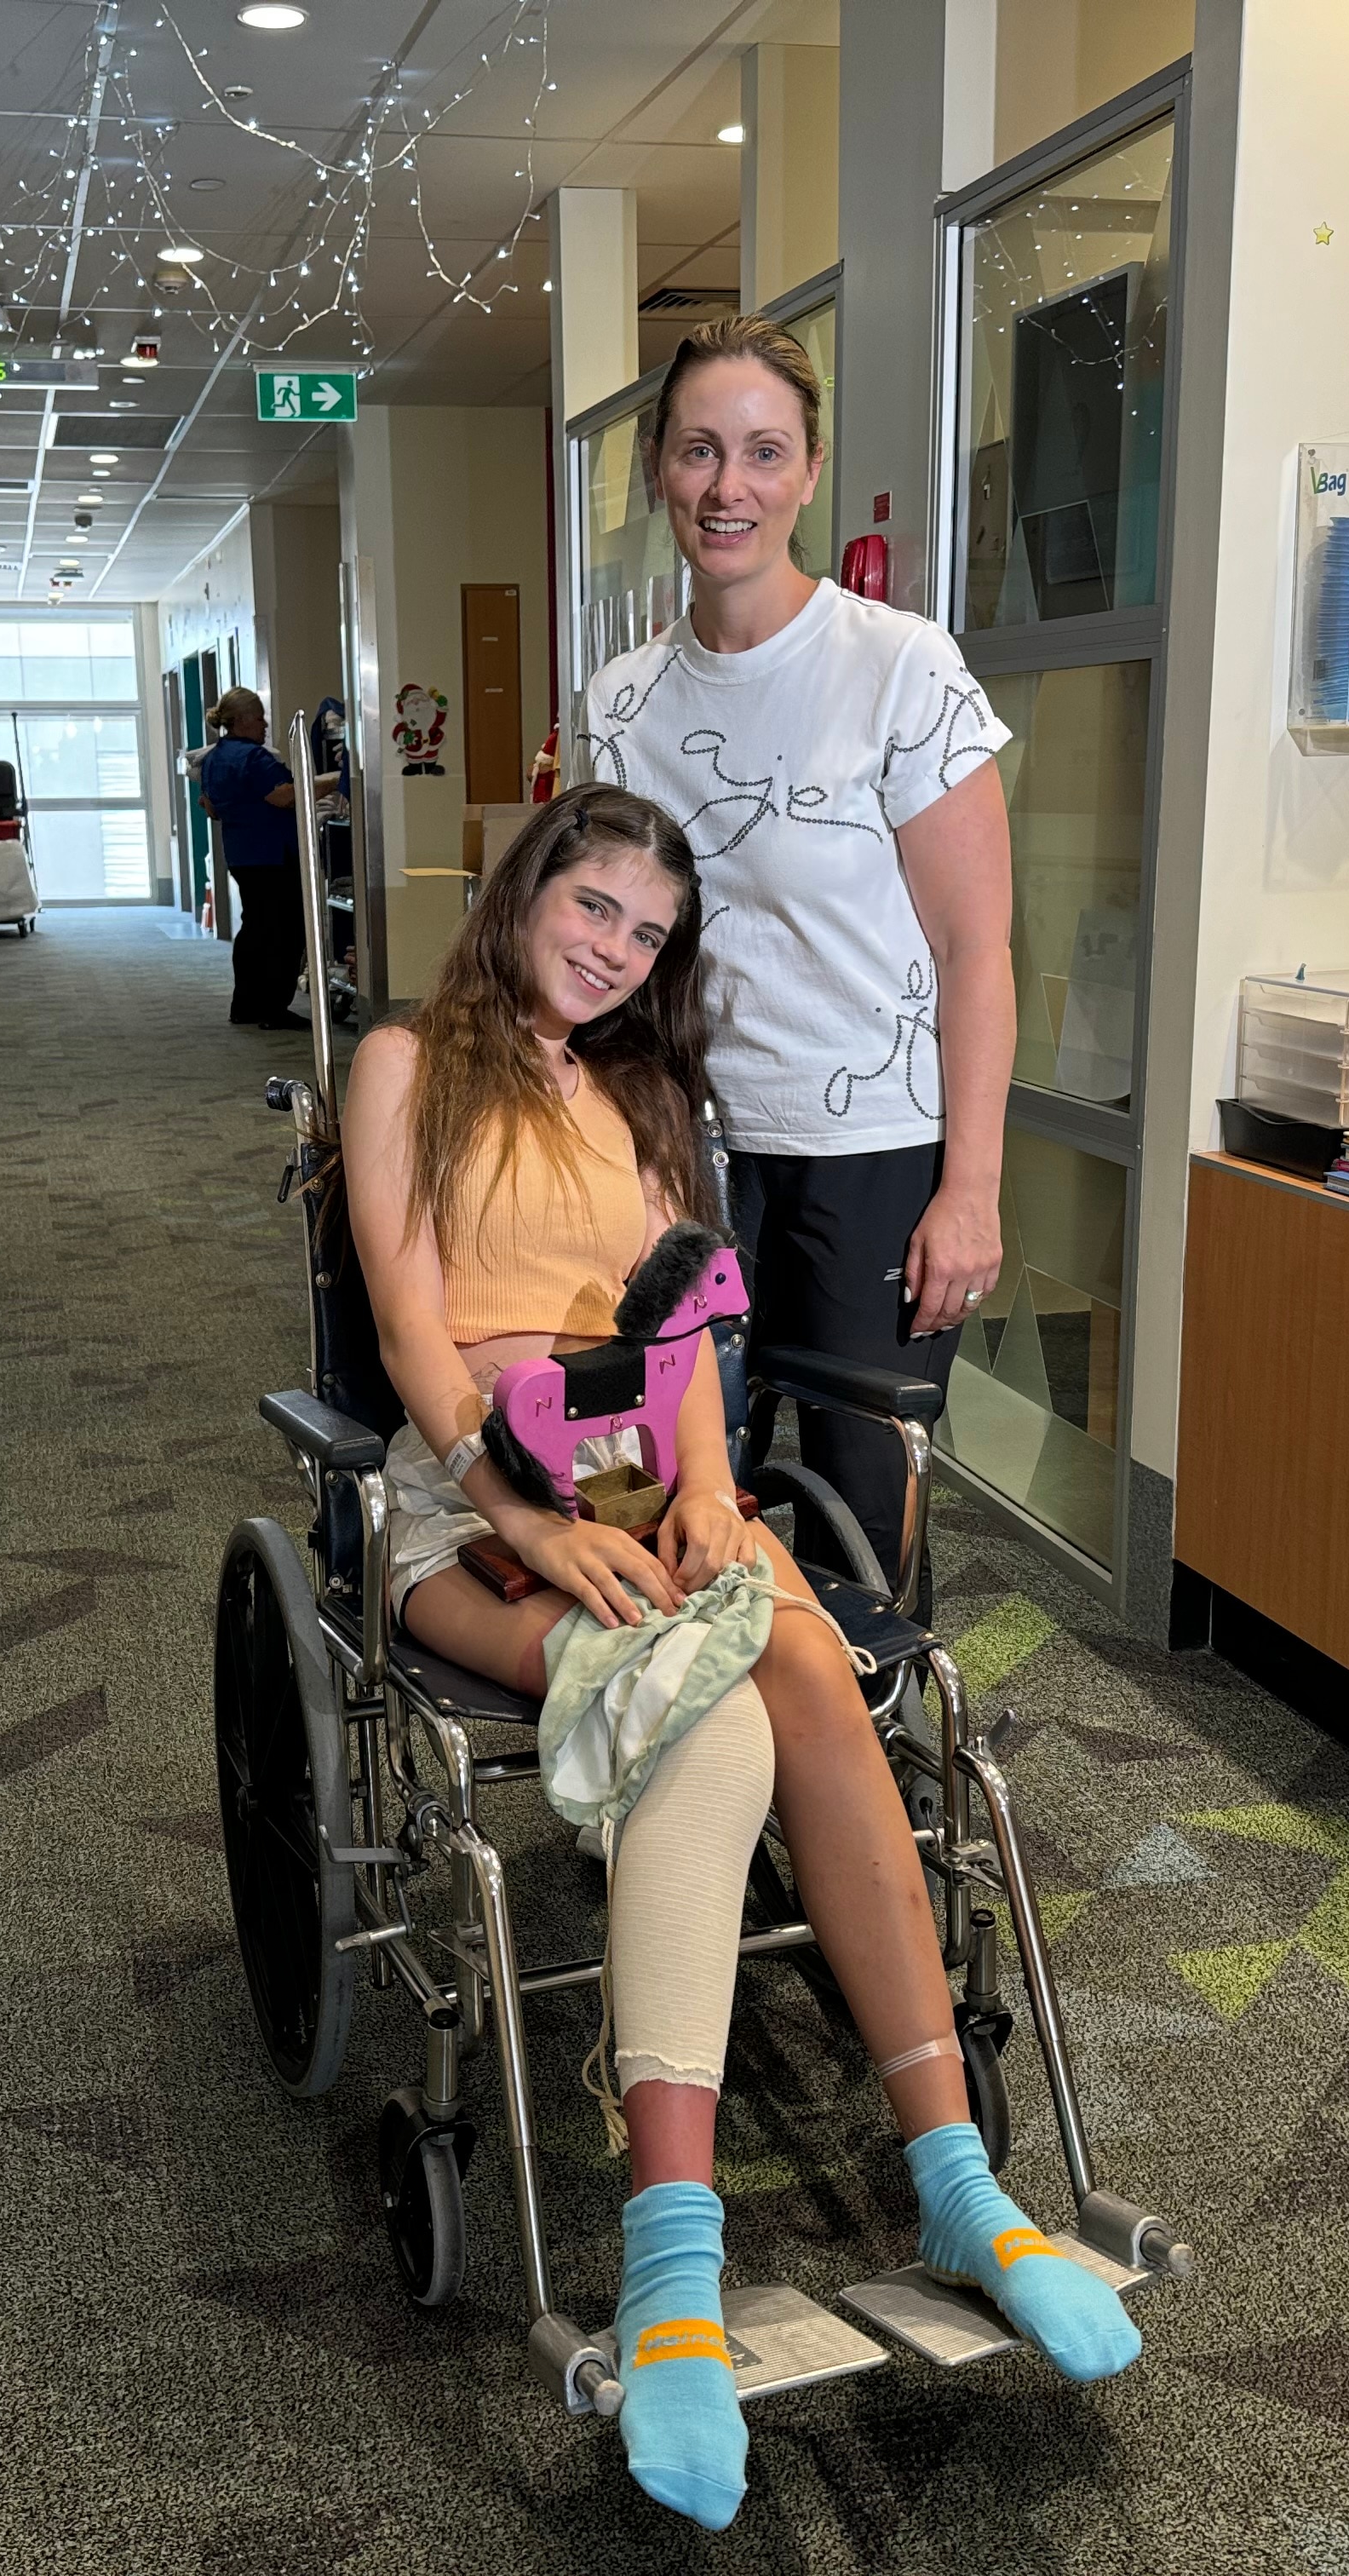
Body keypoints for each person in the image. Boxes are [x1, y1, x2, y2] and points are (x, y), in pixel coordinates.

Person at [345, 785, 1135, 2533]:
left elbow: (687, 1319)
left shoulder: (641, 1089)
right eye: (591, 906)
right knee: (706, 1719)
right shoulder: (410, 1058)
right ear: (529, 888)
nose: (611, 949)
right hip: (471, 1494)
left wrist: (708, 1485)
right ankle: (674, 2267)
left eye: (645, 933)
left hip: (649, 1478)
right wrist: (535, 1522)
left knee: (802, 1663)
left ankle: (955, 2182)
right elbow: (414, 1332)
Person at [578, 314, 1020, 1606]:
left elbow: (976, 947)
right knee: (668, 1488)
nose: (731, 488)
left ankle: (862, 1788)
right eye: (702, 450)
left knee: (860, 1514)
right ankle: (709, 1786)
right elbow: (607, 959)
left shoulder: (899, 668)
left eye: (765, 453)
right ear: (660, 465)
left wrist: (972, 1190)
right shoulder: (620, 703)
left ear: (811, 470)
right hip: (685, 1147)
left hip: (873, 1158)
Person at [196, 687, 331, 1031]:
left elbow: (210, 807)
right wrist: (332, 782)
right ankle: (273, 1008)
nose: (265, 724)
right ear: (240, 721)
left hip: (243, 855)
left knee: (255, 927)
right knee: (284, 932)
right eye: (259, 717)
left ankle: (244, 1004)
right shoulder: (254, 758)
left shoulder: (214, 758)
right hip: (274, 855)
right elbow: (284, 796)